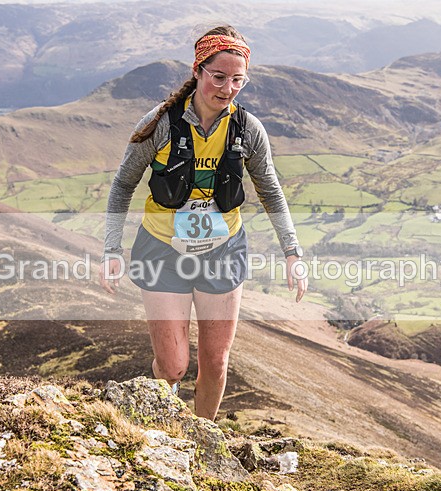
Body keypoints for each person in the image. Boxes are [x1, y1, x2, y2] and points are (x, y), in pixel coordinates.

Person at [99, 25, 307, 421]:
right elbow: (122, 185)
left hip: (223, 250)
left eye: (237, 80)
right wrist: (112, 248)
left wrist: (292, 252)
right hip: (161, 250)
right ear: (197, 71)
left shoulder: (247, 129)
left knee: (215, 362)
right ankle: (161, 422)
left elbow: (271, 191)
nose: (228, 88)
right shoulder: (160, 123)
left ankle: (200, 439)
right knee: (173, 366)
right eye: (219, 77)